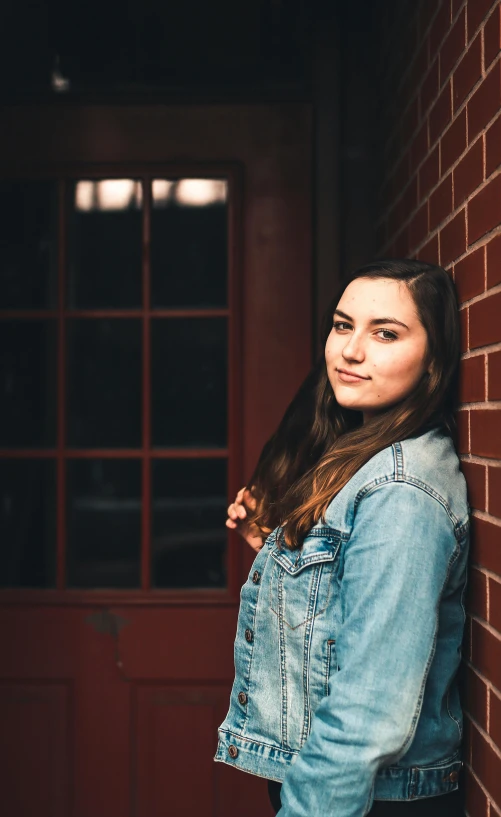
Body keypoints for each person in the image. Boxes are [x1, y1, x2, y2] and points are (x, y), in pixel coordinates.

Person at [214, 259, 469, 817]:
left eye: (385, 333)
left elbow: (369, 712)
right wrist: (288, 554)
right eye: (342, 324)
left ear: (434, 357)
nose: (351, 350)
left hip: (361, 801)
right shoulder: (362, 456)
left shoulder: (401, 493)